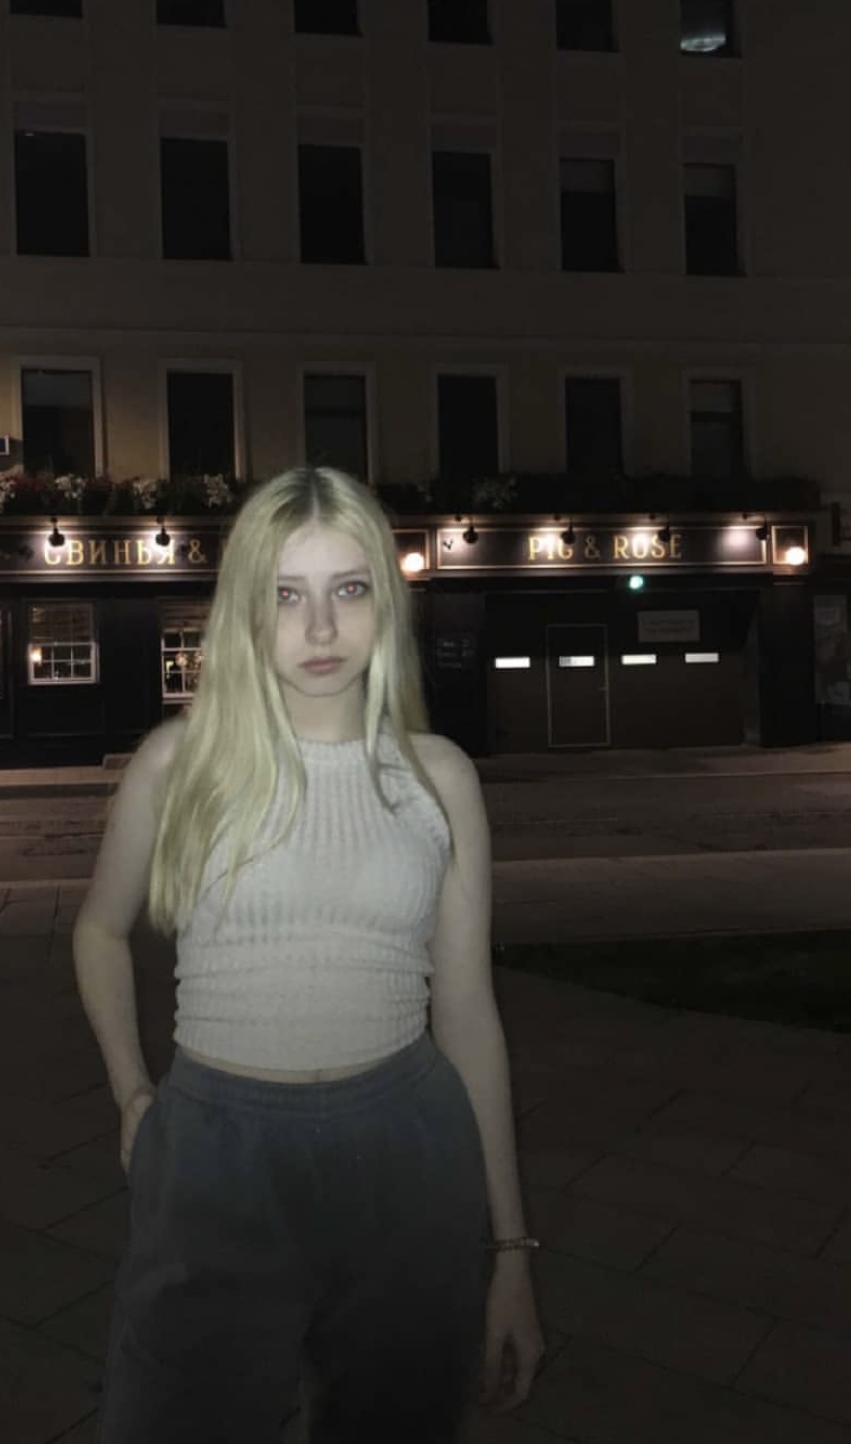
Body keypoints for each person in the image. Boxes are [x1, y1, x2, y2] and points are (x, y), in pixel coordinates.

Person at [73, 467, 544, 1443]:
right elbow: (99, 930)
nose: (320, 628)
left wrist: (509, 1251)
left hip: (405, 1148)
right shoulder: (178, 763)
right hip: (217, 1151)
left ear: (385, 602)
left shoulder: (438, 778)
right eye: (286, 595)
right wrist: (131, 1091)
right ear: (245, 610)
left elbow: (467, 1014)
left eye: (348, 589)